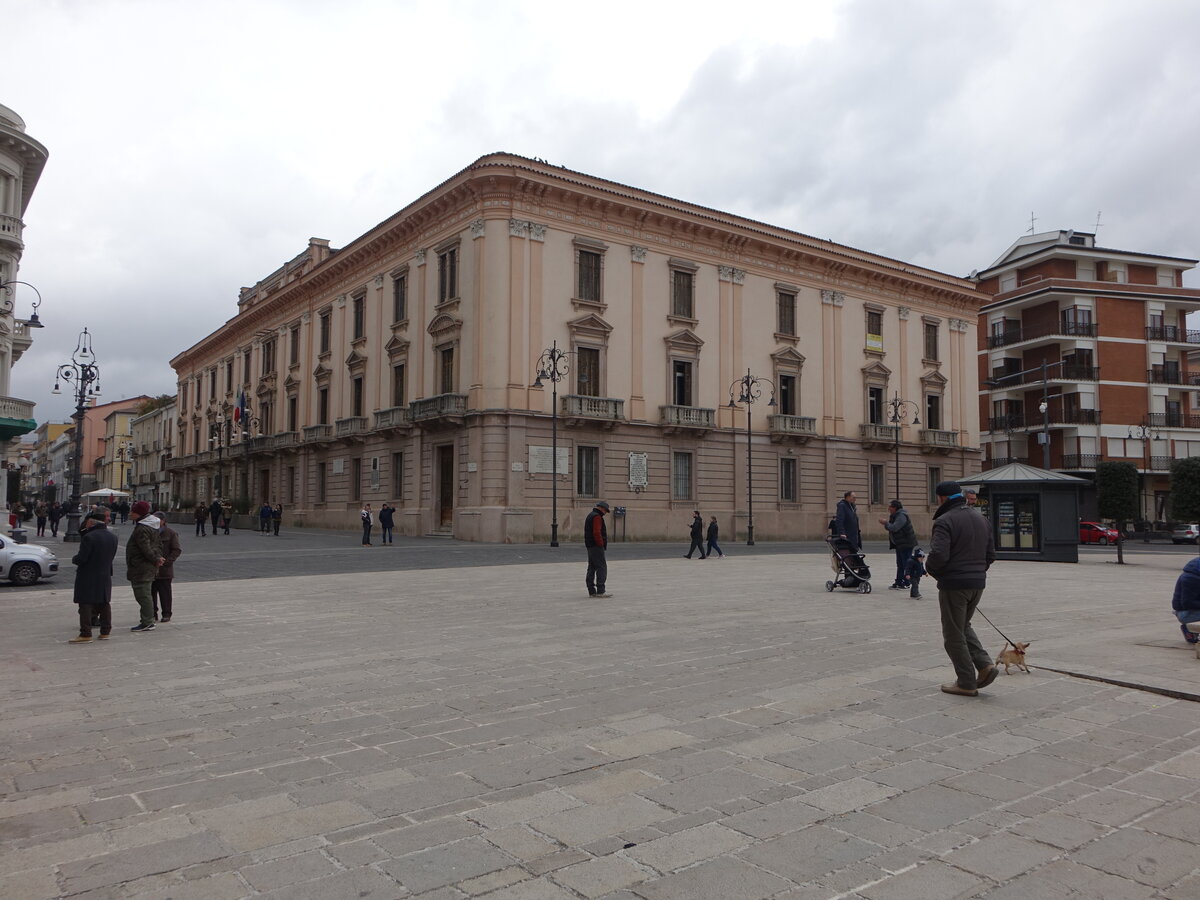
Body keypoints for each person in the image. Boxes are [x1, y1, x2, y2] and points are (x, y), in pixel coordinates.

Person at [926, 481, 998, 696]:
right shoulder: (981, 518)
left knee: (953, 634)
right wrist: (976, 572)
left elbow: (938, 555)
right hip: (977, 582)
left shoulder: (945, 520)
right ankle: (985, 665)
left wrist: (932, 570)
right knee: (963, 625)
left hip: (954, 584)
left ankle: (966, 682)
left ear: (941, 498)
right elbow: (991, 555)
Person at [68, 511, 119, 643]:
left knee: (85, 603)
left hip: (88, 574)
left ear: (91, 522)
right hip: (105, 573)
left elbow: (82, 558)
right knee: (104, 602)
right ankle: (105, 631)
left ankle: (86, 633)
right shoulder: (112, 537)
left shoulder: (89, 537)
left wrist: (74, 559)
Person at [126, 500, 166, 633]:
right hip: (146, 565)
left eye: (133, 511)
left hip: (141, 566)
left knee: (142, 594)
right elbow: (159, 545)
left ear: (139, 513)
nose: (130, 513)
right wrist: (158, 557)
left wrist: (155, 558)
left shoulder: (142, 529)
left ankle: (148, 621)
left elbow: (145, 548)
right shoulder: (153, 526)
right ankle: (148, 620)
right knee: (145, 593)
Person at [879, 499, 918, 589]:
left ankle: (907, 582)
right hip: (900, 544)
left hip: (906, 543)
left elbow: (894, 528)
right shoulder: (895, 515)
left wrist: (886, 523)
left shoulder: (901, 516)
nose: (888, 508)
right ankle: (899, 581)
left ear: (895, 508)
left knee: (905, 563)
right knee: (900, 564)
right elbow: (891, 528)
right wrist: (886, 524)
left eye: (890, 507)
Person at [152, 512, 182, 623]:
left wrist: (167, 562)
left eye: (157, 519)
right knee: (150, 593)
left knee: (165, 594)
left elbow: (176, 550)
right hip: (151, 568)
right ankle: (152, 613)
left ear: (163, 521)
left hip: (164, 569)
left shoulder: (171, 533)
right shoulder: (149, 532)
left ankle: (166, 614)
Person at [584, 500, 611, 598]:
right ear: (601, 508)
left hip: (590, 545)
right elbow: (596, 532)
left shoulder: (590, 515)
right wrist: (601, 544)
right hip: (596, 546)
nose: (605, 513)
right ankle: (600, 590)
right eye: (605, 510)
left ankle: (591, 591)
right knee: (601, 567)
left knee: (591, 567)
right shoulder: (597, 517)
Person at [1171, 557, 1200, 644]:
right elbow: (1187, 603)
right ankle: (1189, 629)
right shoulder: (1191, 578)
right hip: (1185, 613)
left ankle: (1191, 631)